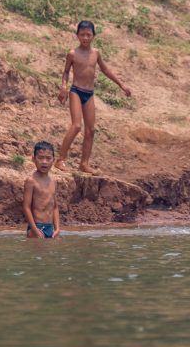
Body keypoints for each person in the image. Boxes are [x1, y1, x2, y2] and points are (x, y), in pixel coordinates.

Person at [56, 21, 131, 174]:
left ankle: (84, 163)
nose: (85, 38)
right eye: (82, 35)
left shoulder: (96, 53)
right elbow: (66, 72)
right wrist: (63, 87)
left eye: (88, 35)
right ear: (77, 35)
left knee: (91, 130)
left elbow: (105, 69)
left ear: (93, 36)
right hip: (76, 91)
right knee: (76, 126)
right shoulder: (72, 53)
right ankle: (60, 159)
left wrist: (121, 85)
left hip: (89, 93)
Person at [23, 141, 60, 239]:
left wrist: (57, 229)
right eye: (40, 158)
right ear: (33, 159)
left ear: (53, 160)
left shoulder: (53, 181)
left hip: (50, 228)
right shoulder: (31, 181)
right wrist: (34, 229)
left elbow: (55, 207)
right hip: (36, 227)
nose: (44, 162)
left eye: (48, 158)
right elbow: (26, 207)